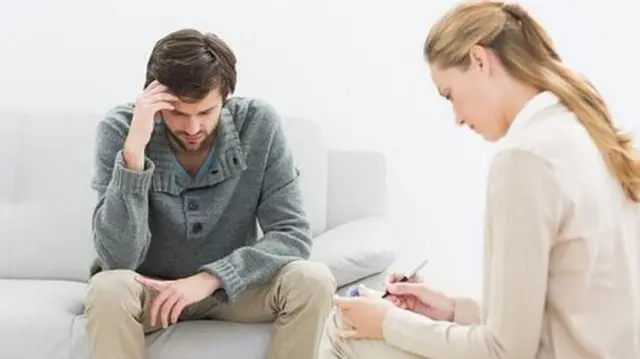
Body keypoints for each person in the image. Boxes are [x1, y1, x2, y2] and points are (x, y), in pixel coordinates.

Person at [320, 1, 640, 358]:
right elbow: (561, 313)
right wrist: (452, 309)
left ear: (480, 61)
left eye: (449, 94)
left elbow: (503, 351)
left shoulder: (524, 159)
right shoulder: (586, 130)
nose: (456, 117)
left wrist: (386, 323)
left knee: (342, 327)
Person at [83, 28, 336, 359]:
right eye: (177, 113)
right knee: (107, 289)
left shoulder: (259, 124)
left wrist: (210, 278)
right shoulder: (121, 129)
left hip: (231, 290)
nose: (192, 129)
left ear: (225, 99)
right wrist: (133, 156)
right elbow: (118, 259)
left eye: (205, 112)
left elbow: (292, 235)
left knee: (312, 279)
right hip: (151, 292)